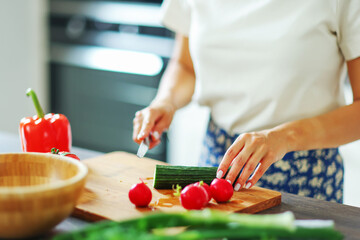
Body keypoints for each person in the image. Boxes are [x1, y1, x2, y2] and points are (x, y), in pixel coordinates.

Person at [133, 0, 360, 203]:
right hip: (218, 164)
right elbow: (185, 66)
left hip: (306, 175)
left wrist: (284, 137)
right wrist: (166, 101)